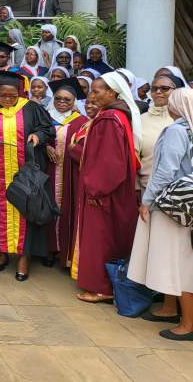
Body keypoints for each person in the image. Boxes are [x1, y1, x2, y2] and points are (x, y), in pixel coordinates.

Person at [128, 87, 193, 341]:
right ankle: (169, 308)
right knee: (173, 259)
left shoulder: (177, 130)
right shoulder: (187, 129)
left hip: (171, 205)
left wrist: (147, 200)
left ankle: (187, 323)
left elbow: (165, 171)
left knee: (179, 262)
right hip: (185, 205)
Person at [73, 72, 140, 302]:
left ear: (112, 92)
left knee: (101, 239)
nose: (91, 95)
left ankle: (101, 287)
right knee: (109, 238)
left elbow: (109, 162)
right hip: (113, 190)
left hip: (104, 192)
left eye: (96, 90)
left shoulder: (109, 119)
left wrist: (96, 189)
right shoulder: (117, 115)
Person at [0, 71, 54, 281]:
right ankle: (2, 251)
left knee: (26, 209)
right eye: (3, 95)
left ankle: (24, 256)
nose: (7, 100)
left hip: (26, 172)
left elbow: (47, 128)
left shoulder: (31, 108)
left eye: (12, 96)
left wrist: (38, 136)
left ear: (20, 93)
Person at [44, 78, 88, 268]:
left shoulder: (82, 121)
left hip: (70, 174)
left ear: (74, 102)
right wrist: (45, 145)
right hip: (47, 171)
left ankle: (64, 251)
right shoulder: (44, 116)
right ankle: (46, 249)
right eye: (58, 98)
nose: (62, 102)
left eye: (67, 100)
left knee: (67, 209)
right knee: (45, 207)